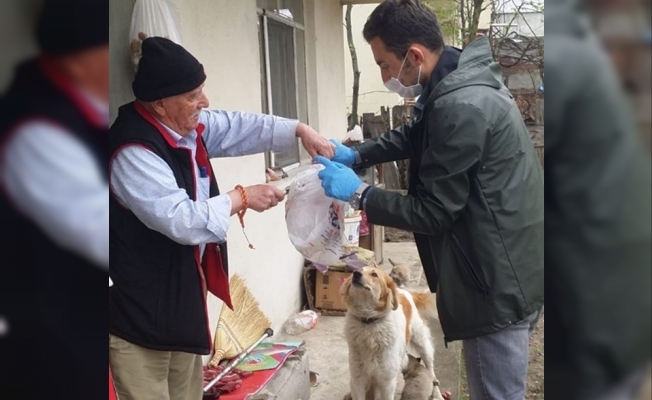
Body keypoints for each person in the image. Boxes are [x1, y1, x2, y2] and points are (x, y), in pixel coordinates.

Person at [314, 1, 544, 399]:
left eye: (385, 65)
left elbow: (434, 212)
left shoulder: (459, 105)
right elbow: (416, 135)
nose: (385, 76)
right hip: (512, 262)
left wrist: (360, 193)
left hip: (495, 282)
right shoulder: (456, 83)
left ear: (415, 56)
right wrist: (357, 154)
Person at [108, 37, 333, 400]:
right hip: (140, 318)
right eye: (193, 95)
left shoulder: (183, 127)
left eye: (202, 90)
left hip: (179, 308)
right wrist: (241, 197)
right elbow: (182, 220)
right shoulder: (134, 150)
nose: (205, 102)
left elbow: (237, 126)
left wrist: (298, 130)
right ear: (160, 103)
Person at [0, 0, 108, 397]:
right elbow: (101, 234)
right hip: (49, 338)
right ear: (79, 61)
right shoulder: (36, 129)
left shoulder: (85, 113)